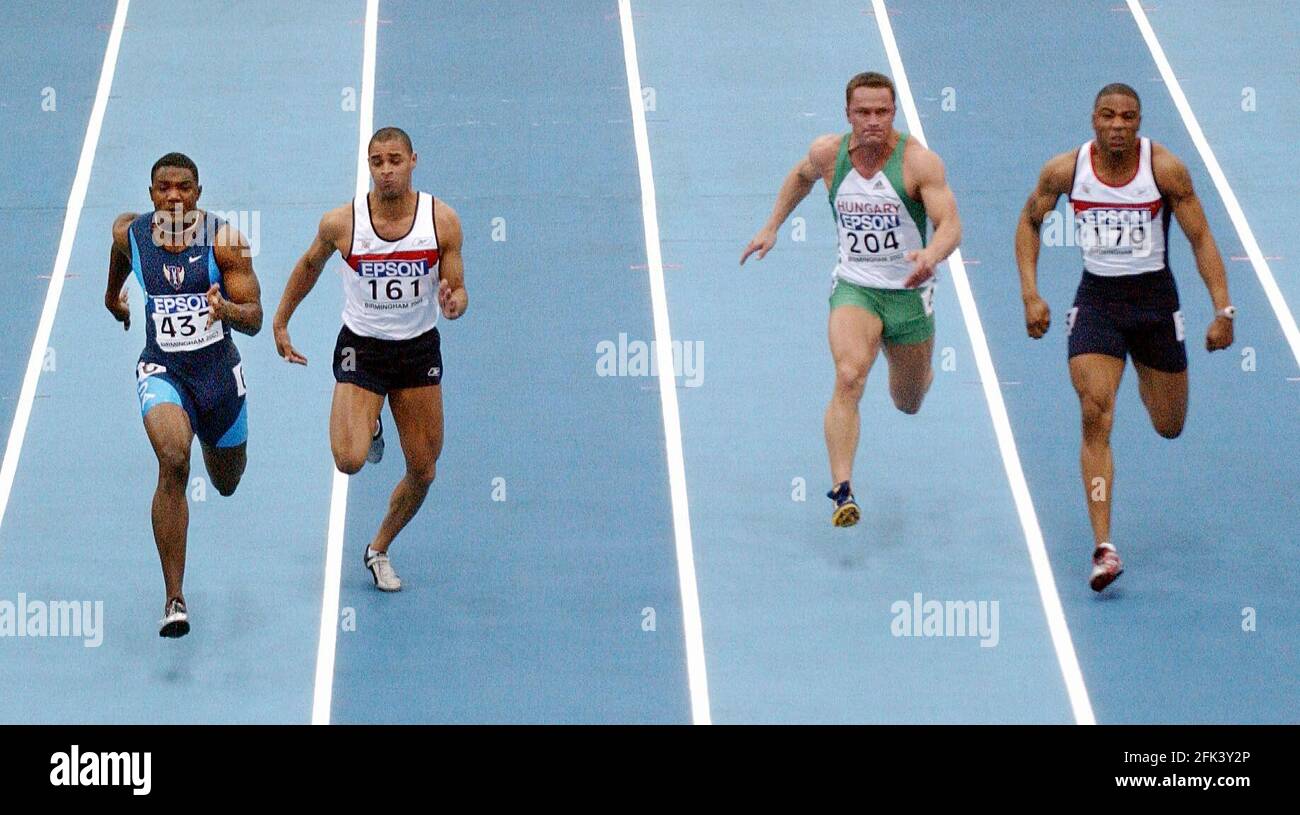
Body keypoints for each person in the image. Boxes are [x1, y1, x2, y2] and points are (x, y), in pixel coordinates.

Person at [1015, 82, 1235, 591]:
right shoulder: (1065, 171)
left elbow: (1201, 237)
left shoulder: (1165, 169)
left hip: (1156, 307)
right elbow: (1028, 226)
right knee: (1094, 410)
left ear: (1139, 122)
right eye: (1108, 116)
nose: (1118, 125)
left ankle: (1143, 371)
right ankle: (1104, 548)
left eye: (1128, 117)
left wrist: (1223, 309)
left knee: (1169, 425)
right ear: (1093, 119)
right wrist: (1031, 293)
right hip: (1098, 305)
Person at [741, 71, 962, 528]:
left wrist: (931, 254)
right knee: (847, 376)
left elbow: (951, 225)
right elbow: (800, 178)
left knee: (909, 401)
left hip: (907, 292)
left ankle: (917, 371)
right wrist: (771, 226)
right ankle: (842, 490)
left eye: (882, 112)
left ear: (893, 113)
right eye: (863, 112)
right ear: (848, 115)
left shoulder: (919, 164)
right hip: (856, 288)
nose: (873, 121)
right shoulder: (828, 154)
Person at [273, 127, 466, 591]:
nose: (386, 170)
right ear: (369, 166)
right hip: (364, 348)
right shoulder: (343, 223)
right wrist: (281, 321)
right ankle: (370, 420)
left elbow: (457, 291)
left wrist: (453, 302)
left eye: (395, 160)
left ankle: (378, 548)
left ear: (413, 161)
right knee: (349, 460)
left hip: (418, 351)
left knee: (423, 470)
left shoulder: (441, 220)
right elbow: (308, 266)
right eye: (377, 162)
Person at [105, 152, 263, 636]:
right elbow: (120, 259)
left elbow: (254, 317)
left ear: (198, 193)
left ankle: (221, 446)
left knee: (227, 481)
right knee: (174, 459)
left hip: (217, 378)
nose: (174, 195)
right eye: (164, 187)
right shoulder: (129, 233)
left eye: (184, 187)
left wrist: (226, 310)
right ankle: (174, 598)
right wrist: (113, 298)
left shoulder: (226, 242)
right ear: (151, 193)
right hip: (164, 369)